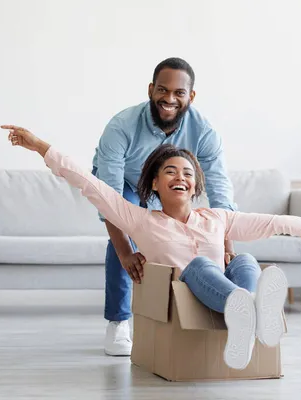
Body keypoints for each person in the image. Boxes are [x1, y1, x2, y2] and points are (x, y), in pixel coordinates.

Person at [1, 125, 301, 370]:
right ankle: (249, 312)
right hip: (190, 292)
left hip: (224, 294)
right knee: (201, 267)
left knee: (242, 260)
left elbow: (276, 223)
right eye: (171, 172)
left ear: (195, 188)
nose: (181, 177)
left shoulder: (218, 218)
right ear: (156, 184)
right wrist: (39, 146)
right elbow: (88, 183)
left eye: (188, 174)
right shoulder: (139, 220)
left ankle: (250, 312)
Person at [91, 57, 237, 356]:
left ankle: (210, 310)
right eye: (162, 90)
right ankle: (119, 322)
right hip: (127, 186)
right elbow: (109, 196)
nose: (169, 99)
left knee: (193, 232)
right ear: (150, 89)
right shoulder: (122, 126)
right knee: (126, 233)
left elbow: (220, 192)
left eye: (178, 93)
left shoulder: (205, 132)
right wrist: (125, 252)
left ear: (190, 96)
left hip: (167, 187)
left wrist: (226, 242)